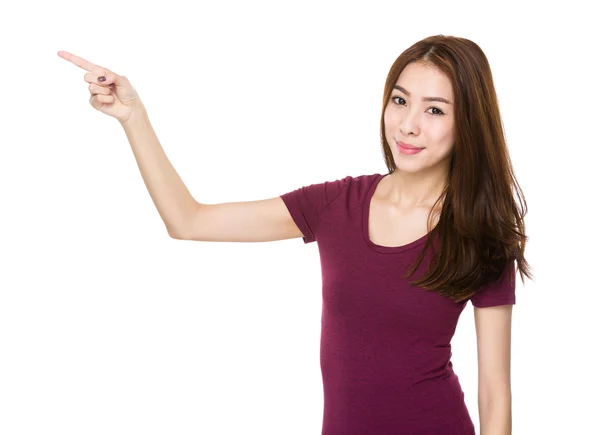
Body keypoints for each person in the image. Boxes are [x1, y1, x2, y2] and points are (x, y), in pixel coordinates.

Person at [58, 34, 532, 435]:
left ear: (467, 122)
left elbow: (494, 391)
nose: (408, 124)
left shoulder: (480, 234)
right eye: (400, 100)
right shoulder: (335, 206)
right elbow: (188, 221)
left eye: (435, 110)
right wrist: (133, 118)